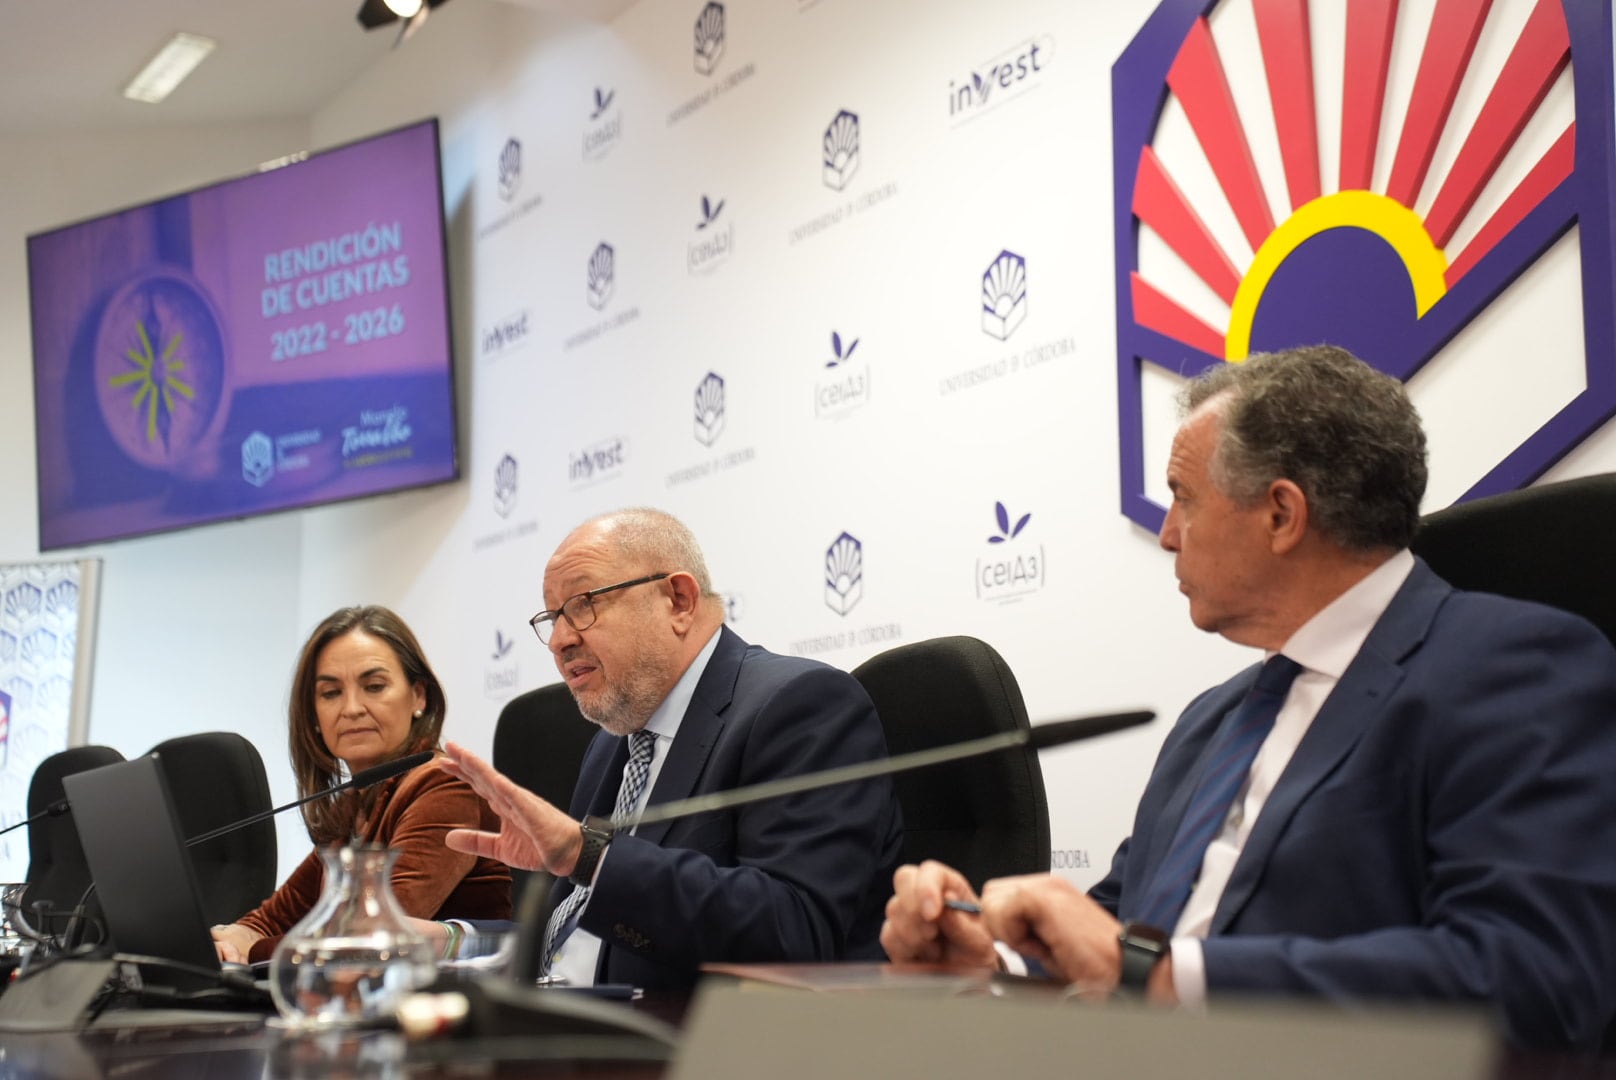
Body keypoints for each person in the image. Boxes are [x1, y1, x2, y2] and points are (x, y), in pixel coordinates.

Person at [880, 344, 1616, 1052]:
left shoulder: (1514, 667)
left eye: (1181, 499)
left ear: (1281, 515)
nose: (1167, 536)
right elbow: (1118, 927)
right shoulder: (1214, 721)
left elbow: (1534, 978)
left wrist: (1161, 978)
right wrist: (994, 958)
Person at [436, 508, 904, 990]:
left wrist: (588, 855)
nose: (559, 640)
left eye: (583, 604)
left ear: (678, 601)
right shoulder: (611, 744)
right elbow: (575, 940)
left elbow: (794, 930)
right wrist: (451, 940)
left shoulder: (800, 704)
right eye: (552, 617)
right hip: (565, 1027)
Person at [211, 606, 511, 965]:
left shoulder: (444, 783)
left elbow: (368, 936)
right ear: (313, 715)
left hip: (451, 1011)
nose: (351, 708)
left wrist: (252, 950)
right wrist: (234, 937)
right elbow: (271, 918)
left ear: (419, 696)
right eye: (331, 693)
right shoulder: (354, 803)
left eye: (374, 686)